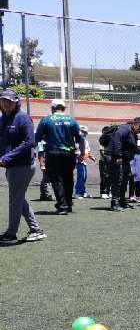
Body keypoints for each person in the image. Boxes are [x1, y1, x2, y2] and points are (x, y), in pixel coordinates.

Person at [0, 89, 45, 244]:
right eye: (3, 101)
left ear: (16, 102)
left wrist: (7, 157)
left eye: (9, 101)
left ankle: (11, 234)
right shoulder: (3, 119)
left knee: (15, 199)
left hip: (23, 165)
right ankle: (35, 229)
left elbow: (29, 142)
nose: (6, 103)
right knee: (19, 198)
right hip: (11, 166)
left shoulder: (22, 118)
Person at [34, 98, 86, 215]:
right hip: (69, 154)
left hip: (53, 153)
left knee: (56, 179)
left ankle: (62, 205)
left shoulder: (46, 120)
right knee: (68, 178)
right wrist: (82, 154)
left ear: (52, 108)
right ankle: (68, 204)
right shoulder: (71, 120)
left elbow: (37, 138)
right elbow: (80, 140)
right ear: (63, 108)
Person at [105, 117, 140, 211]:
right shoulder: (125, 129)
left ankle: (122, 201)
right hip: (115, 157)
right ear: (134, 124)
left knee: (124, 180)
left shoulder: (133, 134)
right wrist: (118, 156)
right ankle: (114, 203)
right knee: (118, 180)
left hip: (124, 159)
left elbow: (133, 148)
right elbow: (117, 140)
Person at [73, 125, 96, 199]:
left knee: (83, 176)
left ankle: (82, 191)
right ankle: (77, 193)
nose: (84, 133)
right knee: (79, 177)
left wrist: (90, 156)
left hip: (83, 161)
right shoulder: (74, 140)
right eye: (82, 132)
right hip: (77, 161)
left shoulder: (85, 141)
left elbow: (87, 150)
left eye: (85, 132)